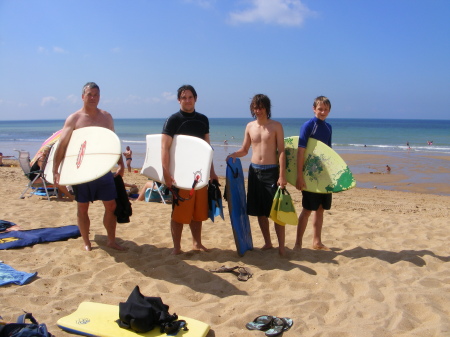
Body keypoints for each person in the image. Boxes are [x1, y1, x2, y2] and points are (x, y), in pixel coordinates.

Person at [52, 82, 125, 251]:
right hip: (81, 170)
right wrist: (56, 170)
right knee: (83, 207)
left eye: (96, 95)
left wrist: (120, 163)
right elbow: (62, 145)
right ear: (82, 96)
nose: (93, 98)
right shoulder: (75, 118)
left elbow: (113, 143)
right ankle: (86, 241)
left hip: (102, 169)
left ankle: (111, 240)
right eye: (89, 94)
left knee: (111, 205)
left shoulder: (106, 117)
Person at [226, 94, 287, 256]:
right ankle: (268, 242)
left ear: (267, 108)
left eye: (260, 107)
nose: (258, 110)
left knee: (276, 212)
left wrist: (282, 175)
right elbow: (245, 150)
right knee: (260, 211)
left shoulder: (276, 126)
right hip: (254, 171)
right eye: (255, 108)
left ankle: (281, 247)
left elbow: (281, 152)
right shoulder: (250, 126)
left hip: (272, 171)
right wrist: (233, 155)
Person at [161, 84, 218, 255]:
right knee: (179, 212)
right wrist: (166, 173)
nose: (187, 100)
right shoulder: (173, 120)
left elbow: (207, 148)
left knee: (197, 212)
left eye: (190, 97)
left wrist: (212, 172)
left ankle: (197, 243)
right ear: (179, 100)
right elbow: (165, 147)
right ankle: (177, 247)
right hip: (180, 174)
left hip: (199, 173)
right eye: (184, 97)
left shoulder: (203, 120)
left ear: (195, 99)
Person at [294, 96, 333, 252]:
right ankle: (298, 243)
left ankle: (317, 241)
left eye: (325, 109)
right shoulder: (308, 126)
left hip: (323, 175)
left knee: (321, 208)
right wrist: (299, 175)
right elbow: (301, 151)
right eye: (320, 109)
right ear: (314, 109)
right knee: (307, 209)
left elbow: (328, 153)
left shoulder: (329, 127)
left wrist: (331, 176)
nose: (322, 112)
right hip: (310, 174)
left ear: (329, 110)